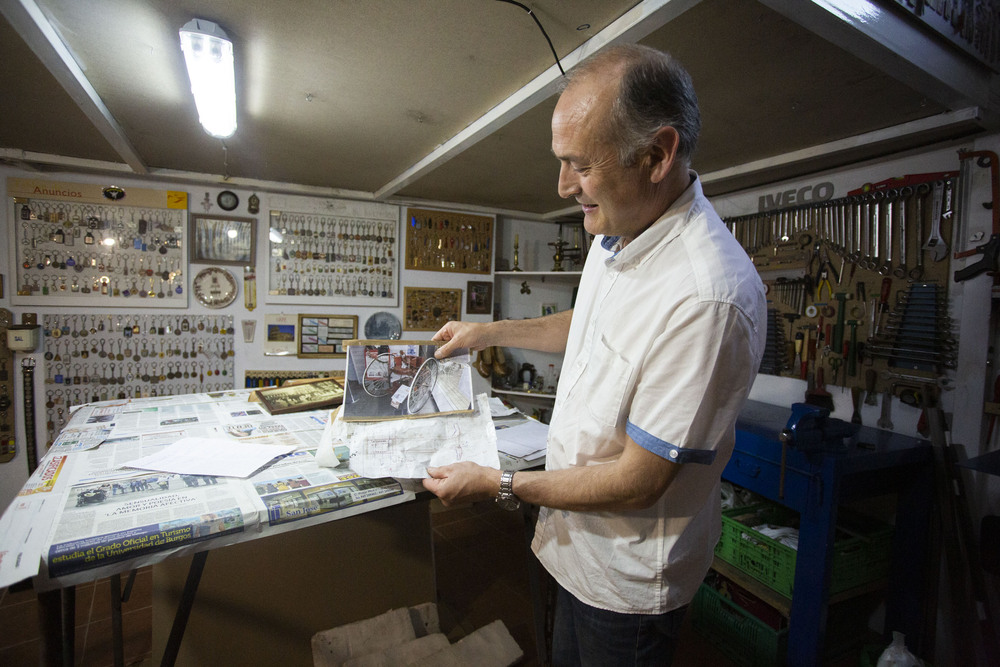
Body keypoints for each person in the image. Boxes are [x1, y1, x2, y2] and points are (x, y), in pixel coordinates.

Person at [423, 44, 766, 665]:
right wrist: (487, 332)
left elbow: (640, 482)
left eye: (579, 164)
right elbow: (588, 325)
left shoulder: (706, 296)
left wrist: (500, 484)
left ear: (658, 154)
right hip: (574, 544)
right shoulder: (618, 230)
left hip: (628, 580)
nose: (562, 186)